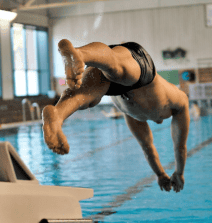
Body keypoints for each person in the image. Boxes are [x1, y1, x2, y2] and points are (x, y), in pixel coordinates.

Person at [42, 39, 190, 193]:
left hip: (112, 79)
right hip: (138, 68)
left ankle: (57, 116)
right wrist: (179, 172)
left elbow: (149, 148)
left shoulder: (134, 117)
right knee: (117, 69)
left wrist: (161, 175)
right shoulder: (180, 99)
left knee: (83, 99)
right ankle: (78, 53)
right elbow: (179, 146)